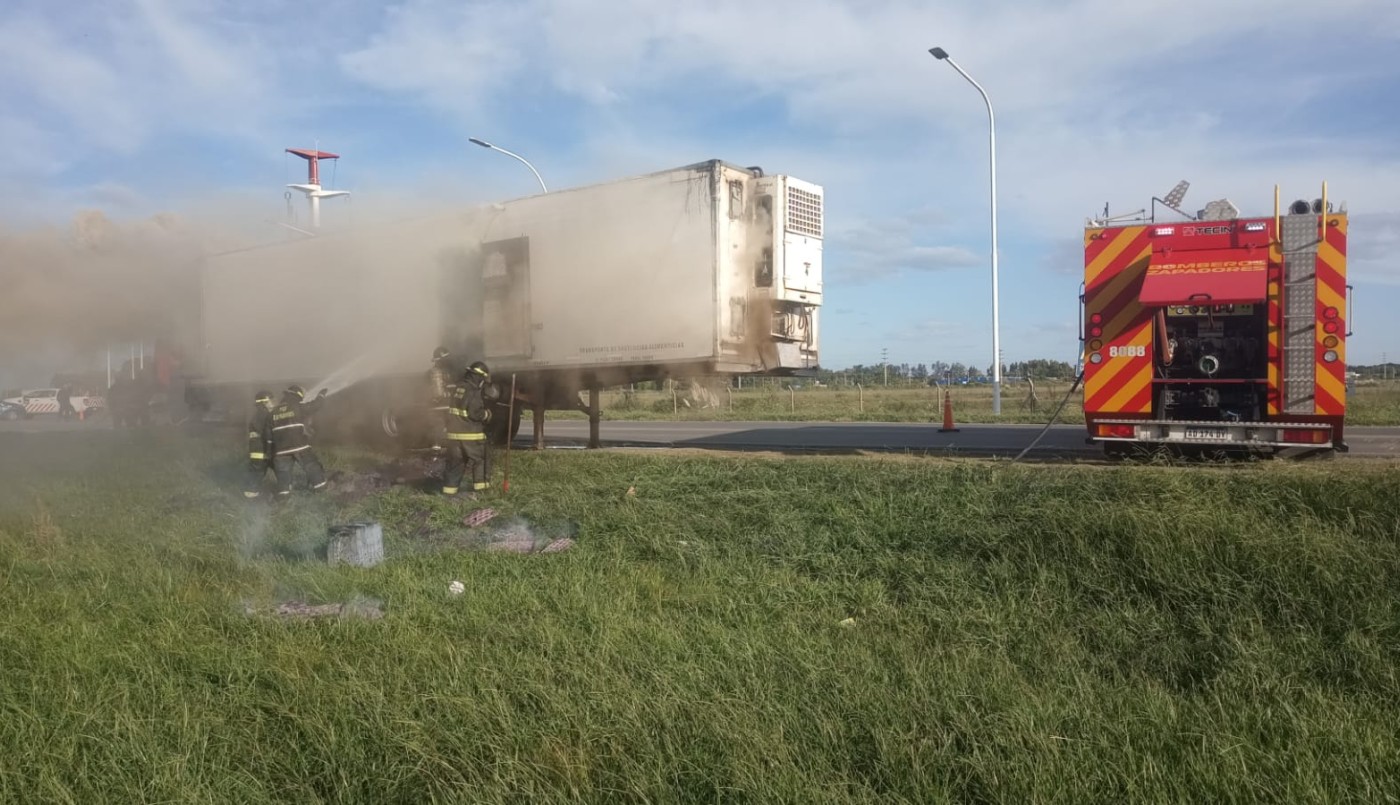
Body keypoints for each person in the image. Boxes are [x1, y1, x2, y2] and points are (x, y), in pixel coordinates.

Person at [442, 361, 495, 496]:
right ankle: (481, 491)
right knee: (481, 459)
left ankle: (449, 492)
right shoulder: (474, 391)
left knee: (455, 464)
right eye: (482, 379)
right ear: (478, 377)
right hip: (470, 435)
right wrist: (487, 414)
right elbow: (475, 413)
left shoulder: (457, 389)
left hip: (453, 436)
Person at [269, 384, 329, 497]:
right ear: (297, 396)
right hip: (298, 445)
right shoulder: (297, 406)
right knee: (311, 466)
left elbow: (269, 431)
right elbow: (315, 405)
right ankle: (321, 490)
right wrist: (321, 395)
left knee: (283, 474)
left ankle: (283, 497)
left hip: (281, 449)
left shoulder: (274, 412)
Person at [243, 391, 276, 499]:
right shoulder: (264, 414)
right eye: (270, 400)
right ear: (264, 403)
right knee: (260, 471)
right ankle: (251, 496)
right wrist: (270, 448)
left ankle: (251, 494)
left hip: (258, 448)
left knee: (258, 471)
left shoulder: (260, 414)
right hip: (262, 448)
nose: (273, 402)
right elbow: (267, 432)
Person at [427, 347, 457, 452]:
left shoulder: (436, 372)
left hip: (441, 404)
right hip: (441, 404)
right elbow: (438, 392)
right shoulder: (437, 373)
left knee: (441, 425)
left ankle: (438, 446)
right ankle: (438, 448)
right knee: (440, 424)